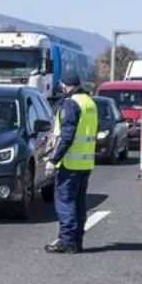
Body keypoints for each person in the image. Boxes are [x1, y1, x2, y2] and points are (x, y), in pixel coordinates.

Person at [44, 74, 97, 254]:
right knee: (79, 203)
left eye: (62, 85)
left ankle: (66, 241)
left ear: (66, 86)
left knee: (65, 203)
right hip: (85, 162)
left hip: (70, 163)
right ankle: (77, 240)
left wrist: (54, 159)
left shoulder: (70, 104)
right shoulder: (89, 102)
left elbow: (67, 136)